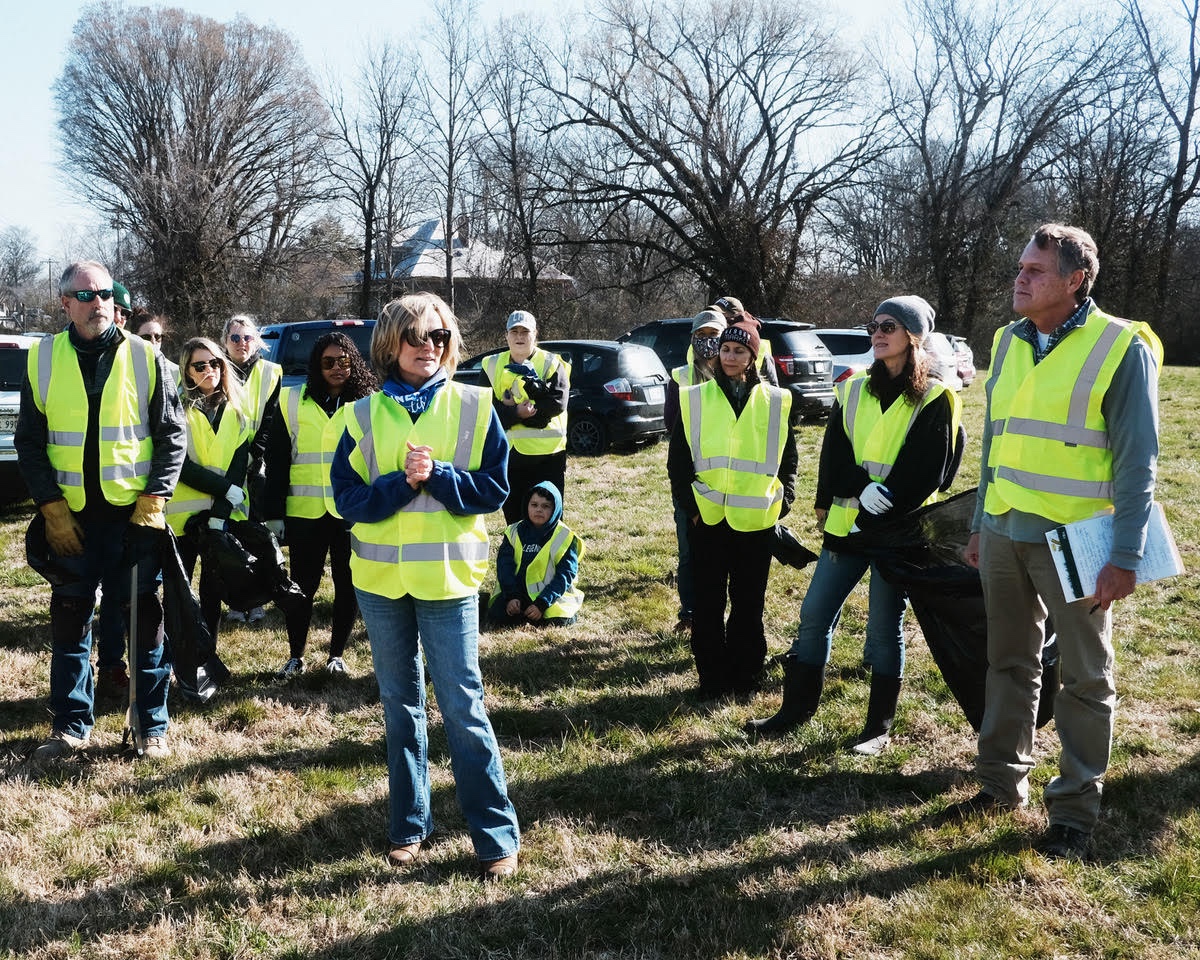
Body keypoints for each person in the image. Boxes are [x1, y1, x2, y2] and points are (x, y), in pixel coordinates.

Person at [943, 224, 1161, 860]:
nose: (1020, 278)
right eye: (1020, 267)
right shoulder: (1007, 341)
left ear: (1076, 280)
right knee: (1008, 662)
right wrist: (983, 522)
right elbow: (995, 440)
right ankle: (999, 782)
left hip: (1078, 541)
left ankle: (1072, 810)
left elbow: (1137, 460)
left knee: (1084, 678)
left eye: (1036, 271)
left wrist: (1125, 555)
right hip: (1006, 529)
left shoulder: (1120, 346)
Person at [328, 292, 520, 881]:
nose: (428, 347)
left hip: (447, 581)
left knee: (463, 708)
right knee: (400, 709)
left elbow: (495, 490)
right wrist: (399, 487)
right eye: (416, 337)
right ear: (390, 343)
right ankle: (409, 825)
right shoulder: (361, 415)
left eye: (438, 337)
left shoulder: (474, 404)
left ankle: (493, 834)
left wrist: (437, 476)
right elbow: (347, 501)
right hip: (381, 584)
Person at [745, 296, 963, 754]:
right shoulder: (852, 388)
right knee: (813, 616)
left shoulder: (937, 397)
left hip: (898, 533)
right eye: (874, 325)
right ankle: (796, 711)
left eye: (889, 326)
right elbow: (834, 455)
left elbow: (933, 468)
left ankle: (877, 729)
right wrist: (858, 489)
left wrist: (887, 500)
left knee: (885, 628)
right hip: (848, 527)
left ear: (914, 337)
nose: (877, 333)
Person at [15, 260, 186, 761]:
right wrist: (51, 509)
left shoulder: (149, 359)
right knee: (70, 622)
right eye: (86, 296)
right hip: (70, 519)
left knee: (144, 623)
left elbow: (172, 437)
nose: (98, 304)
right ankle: (72, 726)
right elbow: (29, 440)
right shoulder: (41, 359)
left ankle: (150, 726)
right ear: (65, 303)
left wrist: (154, 503)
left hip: (133, 518)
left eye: (106, 294)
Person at [667, 320, 798, 699]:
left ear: (753, 357)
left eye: (739, 351)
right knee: (708, 606)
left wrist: (783, 501)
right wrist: (690, 508)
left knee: (748, 605)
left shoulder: (776, 401)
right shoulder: (696, 397)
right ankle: (712, 679)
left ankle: (746, 676)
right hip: (707, 519)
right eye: (725, 349)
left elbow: (789, 458)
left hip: (756, 520)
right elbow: (679, 462)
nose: (729, 356)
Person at [265, 332, 377, 679]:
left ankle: (337, 655)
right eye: (328, 362)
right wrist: (273, 514)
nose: (336, 368)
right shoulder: (290, 400)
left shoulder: (369, 402)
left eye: (343, 361)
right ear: (316, 365)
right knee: (301, 587)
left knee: (347, 584)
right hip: (305, 512)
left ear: (354, 363)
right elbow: (277, 460)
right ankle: (295, 655)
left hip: (350, 511)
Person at [165, 337, 253, 688]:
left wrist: (222, 508)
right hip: (182, 520)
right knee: (182, 597)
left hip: (220, 518)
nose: (210, 371)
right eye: (199, 365)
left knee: (213, 591)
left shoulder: (237, 410)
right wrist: (224, 490)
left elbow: (236, 468)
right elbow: (180, 465)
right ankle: (182, 663)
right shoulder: (177, 409)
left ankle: (209, 657)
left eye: (215, 363)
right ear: (186, 370)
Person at [663, 309, 727, 634]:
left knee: (723, 554)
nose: (707, 342)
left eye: (713, 335)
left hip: (726, 480)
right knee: (689, 550)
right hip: (690, 478)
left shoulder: (736, 375)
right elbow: (673, 427)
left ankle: (719, 612)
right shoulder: (680, 378)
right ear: (692, 339)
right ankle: (689, 612)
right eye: (701, 336)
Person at [481, 310, 571, 524]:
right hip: (510, 457)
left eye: (525, 332)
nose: (519, 336)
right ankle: (518, 556)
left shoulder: (551, 363)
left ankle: (550, 557)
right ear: (507, 336)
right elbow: (484, 410)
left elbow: (557, 403)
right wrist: (516, 413)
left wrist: (518, 414)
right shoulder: (491, 365)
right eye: (514, 331)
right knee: (514, 518)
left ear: (535, 334)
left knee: (549, 520)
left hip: (548, 457)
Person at [223, 313, 281, 623]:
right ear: (225, 342)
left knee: (255, 535)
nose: (242, 343)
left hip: (254, 465)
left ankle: (257, 600)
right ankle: (235, 602)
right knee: (227, 537)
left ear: (257, 341)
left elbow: (269, 422)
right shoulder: (216, 369)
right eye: (235, 338)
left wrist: (251, 456)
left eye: (247, 337)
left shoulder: (272, 372)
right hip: (220, 463)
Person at [487, 480, 584, 627]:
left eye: (546, 506)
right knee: (497, 616)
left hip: (550, 596)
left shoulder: (565, 536)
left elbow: (565, 575)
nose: (539, 510)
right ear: (527, 506)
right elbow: (504, 567)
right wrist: (511, 597)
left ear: (555, 509)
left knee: (558, 621)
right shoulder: (513, 531)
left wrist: (542, 603)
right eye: (534, 505)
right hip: (517, 594)